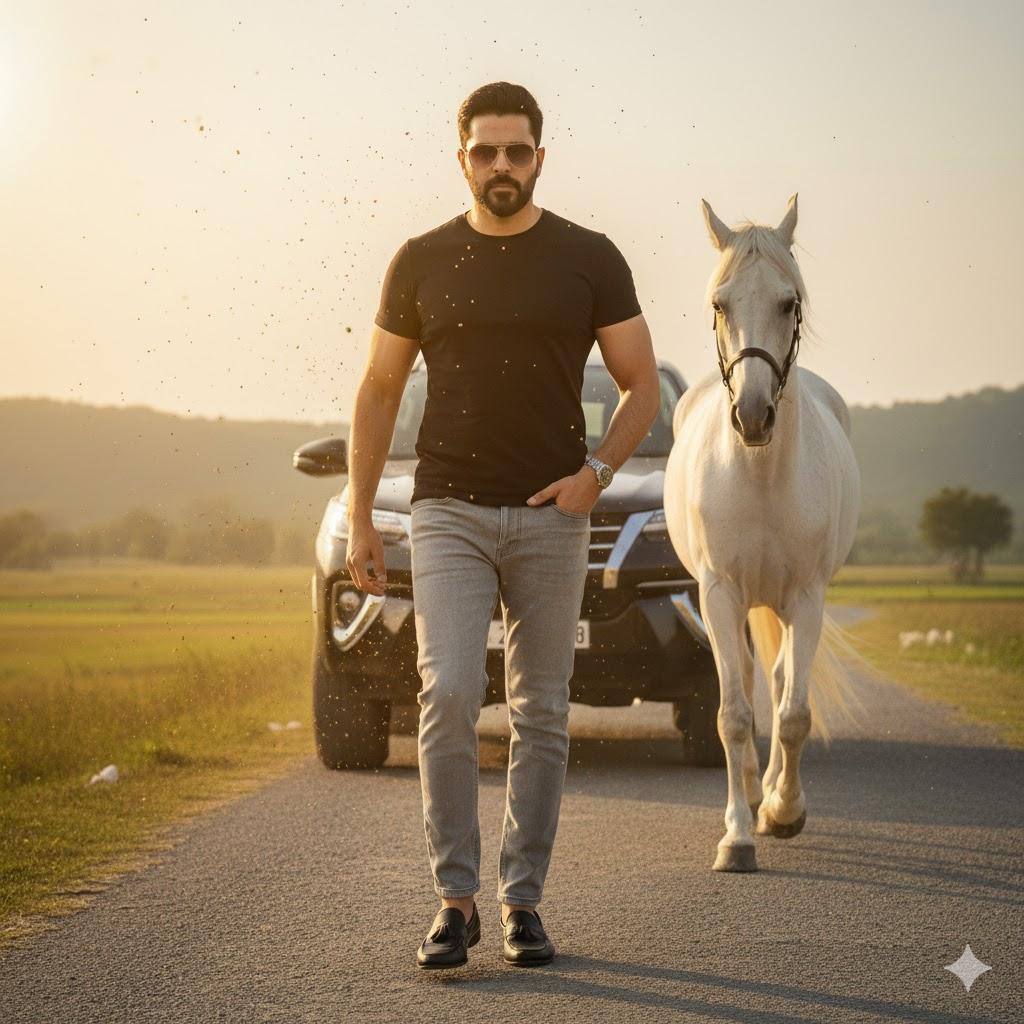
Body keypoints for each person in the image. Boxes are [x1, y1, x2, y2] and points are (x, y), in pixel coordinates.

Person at [345, 81, 660, 968]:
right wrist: (367, 514)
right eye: (484, 152)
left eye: (516, 151)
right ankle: (455, 900)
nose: (500, 167)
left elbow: (641, 384)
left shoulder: (589, 257)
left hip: (552, 517)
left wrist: (595, 476)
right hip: (446, 512)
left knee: (542, 709)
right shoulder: (420, 259)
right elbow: (377, 388)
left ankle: (521, 901)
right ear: (462, 159)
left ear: (539, 159)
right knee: (447, 693)